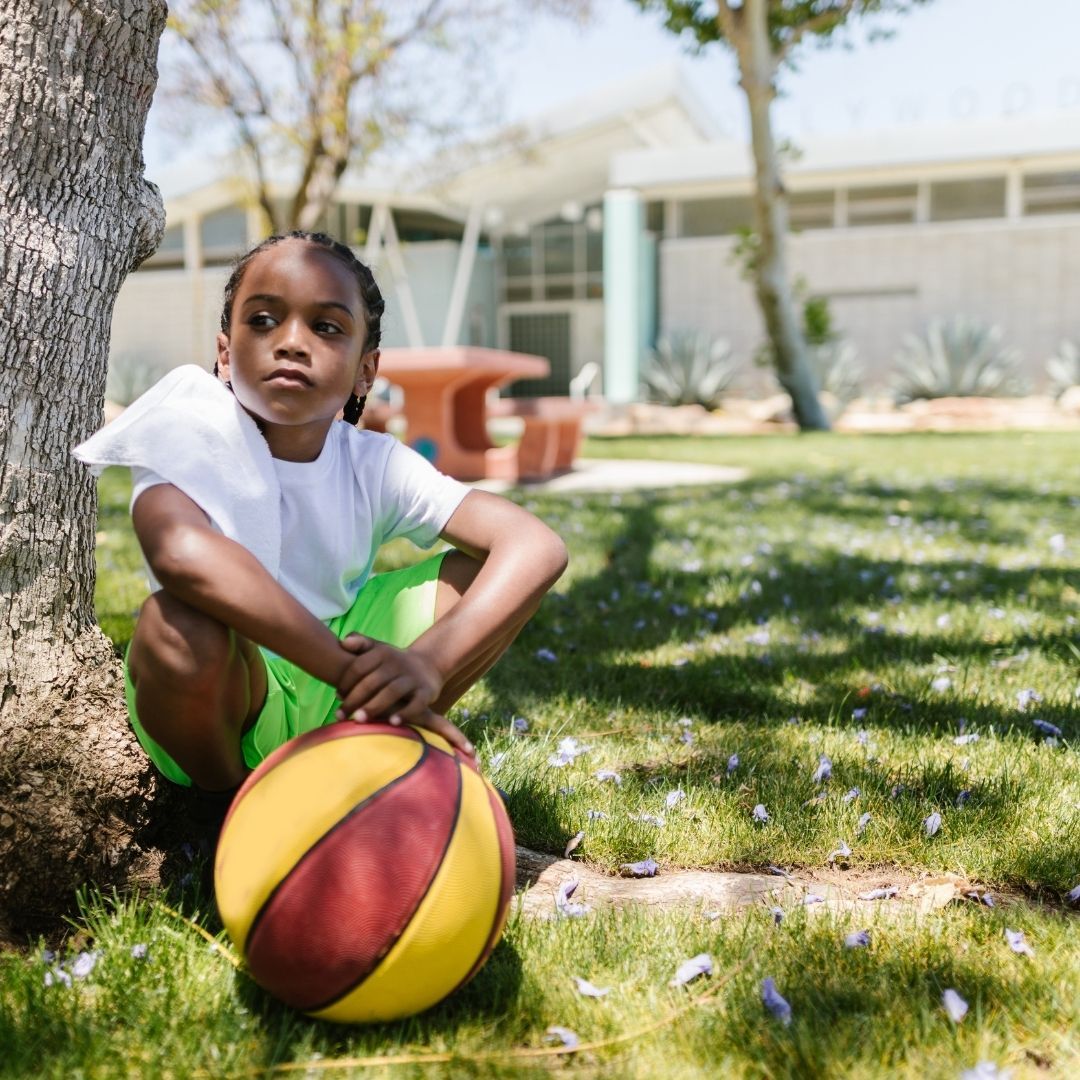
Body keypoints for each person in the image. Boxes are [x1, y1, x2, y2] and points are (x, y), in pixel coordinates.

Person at [75, 231, 568, 809]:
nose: (290, 343)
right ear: (225, 354)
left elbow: (536, 545)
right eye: (262, 320)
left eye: (326, 327)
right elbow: (181, 554)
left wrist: (426, 666)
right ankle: (227, 808)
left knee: (474, 575)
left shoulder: (371, 461)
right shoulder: (189, 428)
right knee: (177, 622)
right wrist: (341, 668)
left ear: (366, 371)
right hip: (232, 687)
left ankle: (374, 746)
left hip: (344, 682)